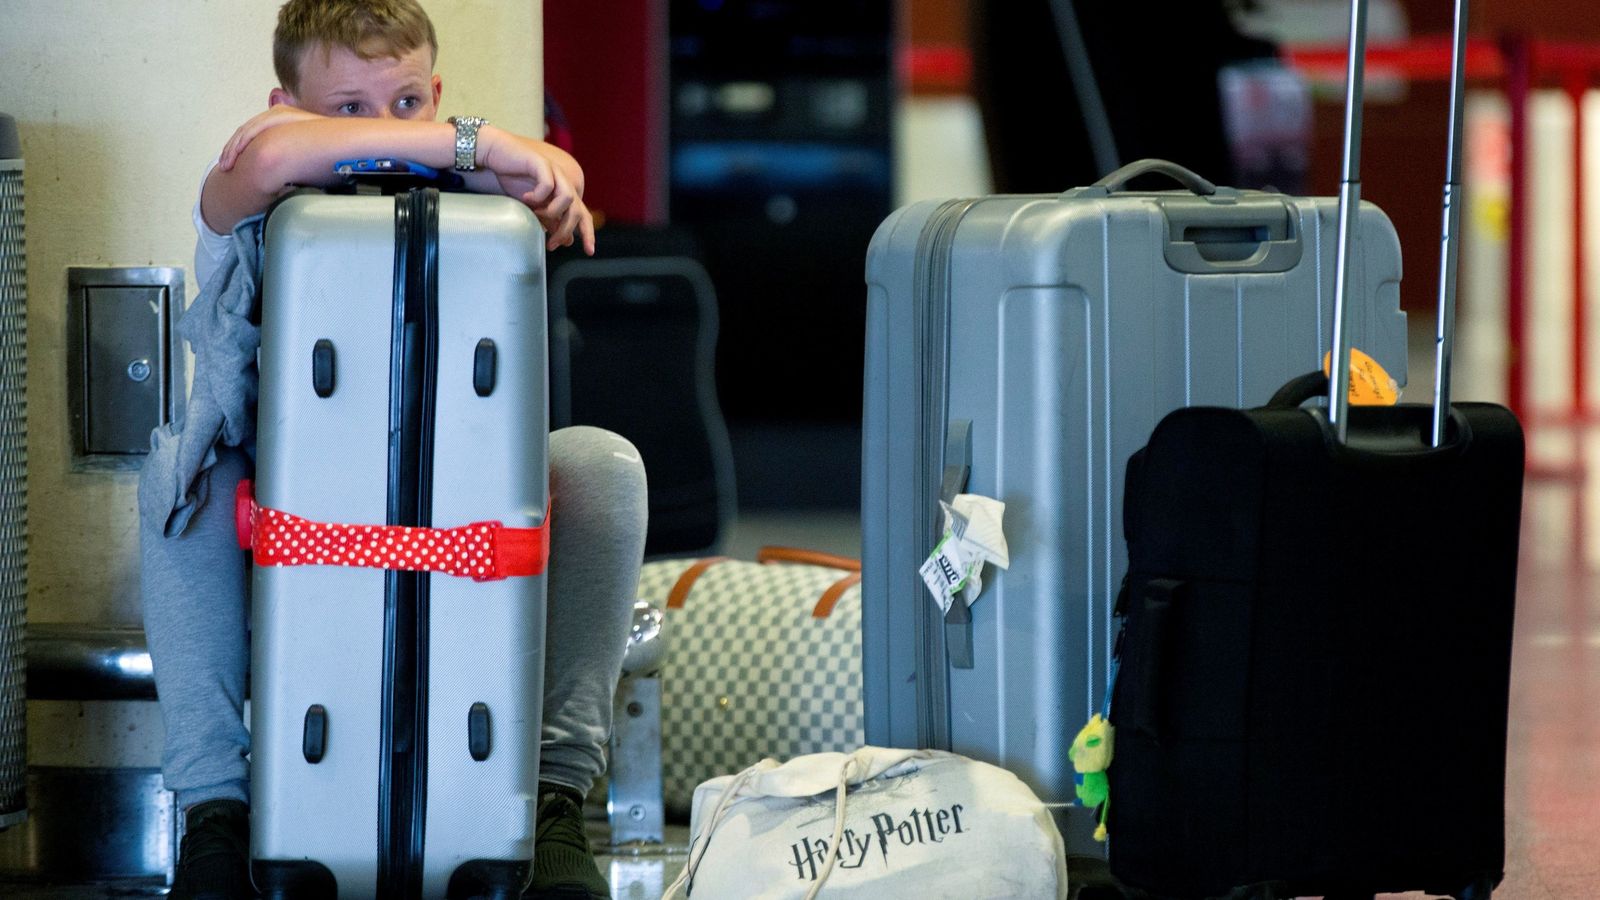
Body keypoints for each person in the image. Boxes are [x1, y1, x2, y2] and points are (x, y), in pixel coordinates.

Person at [138, 2, 646, 898]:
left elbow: (557, 174)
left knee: (603, 464)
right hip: (290, 520)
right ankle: (214, 811)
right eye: (346, 109)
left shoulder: (459, 187)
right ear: (281, 104)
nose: (381, 131)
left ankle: (557, 799)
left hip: (458, 514)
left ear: (439, 96)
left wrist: (498, 157)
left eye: (407, 101)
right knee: (184, 474)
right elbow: (265, 159)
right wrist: (465, 143)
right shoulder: (251, 188)